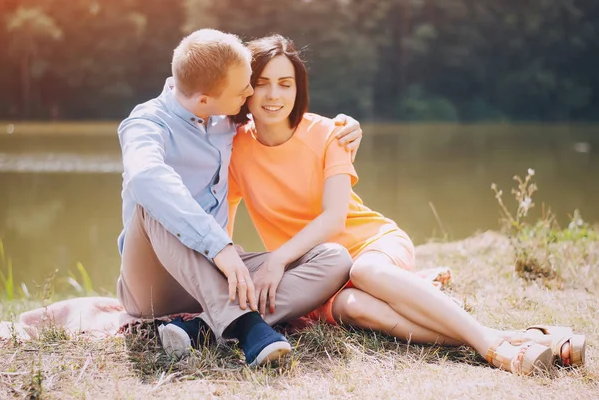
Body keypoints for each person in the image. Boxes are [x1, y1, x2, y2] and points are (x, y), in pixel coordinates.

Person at [225, 34, 586, 375]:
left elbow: (335, 219)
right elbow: (222, 225)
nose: (273, 94)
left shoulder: (328, 133)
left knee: (364, 272)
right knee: (354, 308)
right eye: (262, 82)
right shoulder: (233, 149)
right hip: (318, 274)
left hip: (369, 247)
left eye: (285, 83)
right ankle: (524, 337)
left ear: (298, 89)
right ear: (246, 87)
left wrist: (277, 259)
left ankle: (490, 343)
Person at [116, 29, 365, 366]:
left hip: (216, 273)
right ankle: (247, 325)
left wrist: (345, 127)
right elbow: (146, 176)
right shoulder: (146, 123)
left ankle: (204, 328)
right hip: (155, 282)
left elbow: (282, 119)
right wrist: (220, 247)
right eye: (244, 88)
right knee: (152, 203)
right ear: (206, 100)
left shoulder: (224, 118)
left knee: (333, 258)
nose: (250, 93)